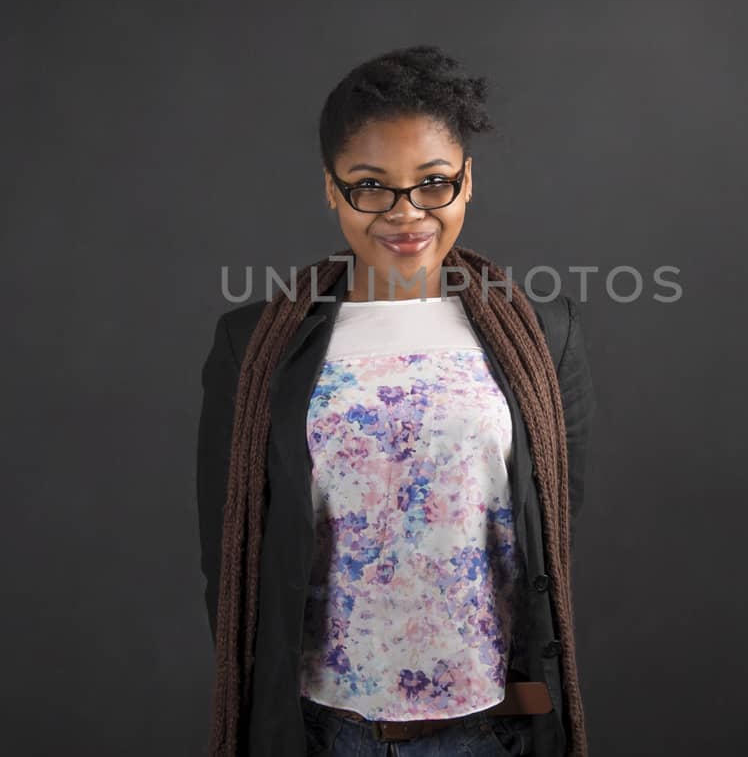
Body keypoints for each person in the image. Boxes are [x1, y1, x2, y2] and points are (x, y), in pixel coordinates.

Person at [197, 45, 595, 756]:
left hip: (494, 728)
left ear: (467, 182)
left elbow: (554, 521)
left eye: (433, 182)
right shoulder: (254, 346)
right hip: (325, 729)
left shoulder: (543, 335)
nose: (406, 213)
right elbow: (228, 556)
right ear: (331, 188)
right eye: (371, 186)